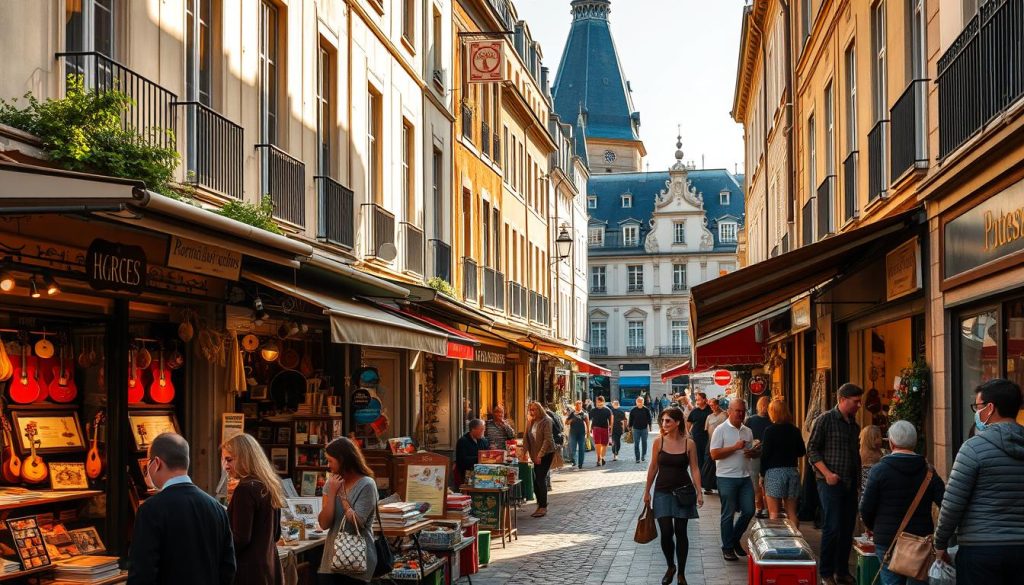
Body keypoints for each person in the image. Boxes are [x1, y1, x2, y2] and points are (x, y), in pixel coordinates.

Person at [934, 378, 1024, 585]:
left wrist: (940, 543)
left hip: (981, 550)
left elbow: (952, 504)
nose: (976, 412)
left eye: (978, 406)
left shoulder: (973, 448)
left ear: (990, 408)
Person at [128, 433, 235, 585]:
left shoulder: (150, 510)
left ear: (157, 463)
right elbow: (228, 567)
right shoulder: (217, 508)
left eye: (148, 464)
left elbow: (142, 573)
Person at [859, 421, 944, 585]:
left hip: (887, 538)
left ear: (891, 443)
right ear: (914, 442)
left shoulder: (879, 471)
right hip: (920, 539)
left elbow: (865, 508)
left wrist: (873, 528)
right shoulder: (929, 471)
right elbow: (945, 504)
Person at [807, 383, 863, 585]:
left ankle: (841, 571)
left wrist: (858, 483)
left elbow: (854, 455)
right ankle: (826, 572)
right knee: (832, 526)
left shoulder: (853, 424)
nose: (859, 405)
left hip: (849, 483)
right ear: (842, 400)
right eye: (855, 401)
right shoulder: (825, 420)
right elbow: (812, 450)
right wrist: (828, 473)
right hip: (829, 483)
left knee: (847, 528)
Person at [643, 407, 703, 585]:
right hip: (662, 491)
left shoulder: (689, 443)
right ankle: (671, 566)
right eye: (662, 420)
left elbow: (695, 468)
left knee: (681, 532)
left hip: (683, 492)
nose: (664, 424)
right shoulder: (658, 442)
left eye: (668, 420)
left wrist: (699, 491)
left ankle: (681, 573)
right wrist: (647, 491)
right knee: (666, 532)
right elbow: (653, 467)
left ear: (677, 422)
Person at [221, 433, 285, 585]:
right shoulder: (268, 485)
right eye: (224, 460)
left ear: (245, 458)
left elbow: (240, 538)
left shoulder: (245, 489)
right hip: (269, 570)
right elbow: (276, 534)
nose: (225, 466)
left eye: (229, 459)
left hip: (248, 573)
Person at [317, 437, 379, 584]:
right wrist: (332, 493)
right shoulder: (331, 483)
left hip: (357, 561)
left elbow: (358, 522)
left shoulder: (366, 485)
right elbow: (324, 524)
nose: (328, 465)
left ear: (342, 460)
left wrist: (343, 498)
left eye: (331, 461)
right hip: (331, 560)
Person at [710, 398, 757, 561]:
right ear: (729, 411)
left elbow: (750, 452)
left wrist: (754, 452)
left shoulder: (747, 431)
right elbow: (714, 454)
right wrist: (734, 447)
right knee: (728, 514)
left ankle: (734, 539)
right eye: (737, 411)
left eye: (743, 411)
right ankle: (728, 547)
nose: (741, 414)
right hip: (726, 477)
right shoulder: (720, 430)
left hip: (744, 476)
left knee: (750, 510)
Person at [759, 399, 806, 528]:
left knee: (774, 513)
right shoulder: (795, 430)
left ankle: (778, 543)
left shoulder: (770, 431)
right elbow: (802, 451)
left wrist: (762, 475)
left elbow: (765, 455)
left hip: (774, 473)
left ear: (772, 412)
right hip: (792, 472)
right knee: (792, 513)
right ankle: (796, 541)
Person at [524, 401, 557, 518]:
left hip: (546, 453)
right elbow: (526, 437)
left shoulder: (546, 420)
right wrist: (524, 452)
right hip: (535, 453)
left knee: (540, 478)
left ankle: (543, 506)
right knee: (535, 480)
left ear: (540, 409)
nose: (532, 412)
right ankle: (540, 503)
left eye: (534, 409)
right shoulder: (532, 421)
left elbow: (548, 440)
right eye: (531, 410)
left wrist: (540, 455)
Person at [745, 396, 772, 519]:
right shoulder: (753, 420)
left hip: (760, 453)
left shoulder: (752, 420)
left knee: (758, 480)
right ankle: (763, 507)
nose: (764, 408)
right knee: (760, 481)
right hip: (760, 453)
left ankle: (762, 507)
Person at [454, 419, 490, 488]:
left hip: (484, 473)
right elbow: (462, 460)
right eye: (482, 430)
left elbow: (488, 455)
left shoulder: (484, 441)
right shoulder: (463, 441)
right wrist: (479, 458)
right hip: (467, 474)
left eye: (484, 430)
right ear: (473, 430)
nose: (483, 432)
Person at [686, 393, 712, 475]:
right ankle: (700, 476)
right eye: (696, 399)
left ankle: (706, 477)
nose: (697, 401)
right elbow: (688, 422)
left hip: (708, 438)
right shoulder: (694, 411)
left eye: (698, 399)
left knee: (707, 458)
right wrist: (689, 433)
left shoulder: (710, 410)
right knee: (698, 458)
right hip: (696, 438)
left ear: (704, 400)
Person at [565, 400, 590, 469]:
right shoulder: (572, 413)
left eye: (580, 405)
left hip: (581, 433)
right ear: (575, 406)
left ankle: (580, 463)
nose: (579, 407)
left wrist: (588, 433)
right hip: (573, 433)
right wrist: (570, 420)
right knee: (572, 448)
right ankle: (574, 461)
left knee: (582, 448)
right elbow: (566, 422)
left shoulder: (584, 414)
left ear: (581, 406)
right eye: (577, 405)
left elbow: (588, 424)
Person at [589, 396, 614, 466]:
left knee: (604, 444)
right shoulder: (593, 410)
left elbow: (611, 419)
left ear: (603, 402)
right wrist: (590, 428)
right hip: (596, 428)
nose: (598, 404)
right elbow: (590, 419)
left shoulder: (607, 410)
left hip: (605, 428)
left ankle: (602, 457)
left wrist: (611, 428)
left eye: (600, 402)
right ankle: (598, 458)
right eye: (597, 402)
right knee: (597, 444)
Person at [629, 396, 654, 463]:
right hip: (636, 429)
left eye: (641, 401)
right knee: (636, 444)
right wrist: (629, 427)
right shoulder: (633, 410)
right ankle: (637, 458)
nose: (640, 403)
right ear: (636, 402)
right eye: (638, 402)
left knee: (644, 443)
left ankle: (643, 456)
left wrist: (650, 426)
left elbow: (649, 419)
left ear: (643, 402)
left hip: (644, 429)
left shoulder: (646, 409)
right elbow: (630, 419)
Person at [859, 425, 884, 492]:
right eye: (878, 436)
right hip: (869, 490)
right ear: (871, 439)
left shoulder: (858, 452)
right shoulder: (877, 455)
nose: (881, 438)